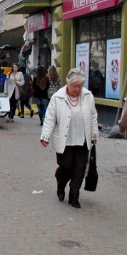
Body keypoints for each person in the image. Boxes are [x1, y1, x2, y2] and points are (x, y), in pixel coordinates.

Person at [40, 68, 99, 209]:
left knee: (79, 169)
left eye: (80, 86)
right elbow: (50, 118)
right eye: (75, 86)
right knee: (66, 167)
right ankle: (60, 185)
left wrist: (94, 134)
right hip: (65, 140)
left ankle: (74, 197)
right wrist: (45, 136)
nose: (78, 89)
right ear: (68, 84)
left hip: (82, 140)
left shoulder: (88, 96)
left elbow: (93, 116)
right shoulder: (57, 97)